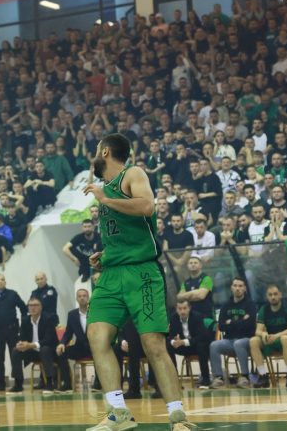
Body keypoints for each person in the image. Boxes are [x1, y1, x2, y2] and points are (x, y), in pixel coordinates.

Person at [84, 133, 193, 431]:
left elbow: (146, 207)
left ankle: (177, 418)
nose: (93, 154)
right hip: (111, 272)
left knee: (153, 343)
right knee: (96, 335)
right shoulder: (104, 188)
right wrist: (105, 254)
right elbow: (125, 234)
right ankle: (118, 413)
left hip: (142, 272)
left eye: (96, 150)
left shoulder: (132, 174)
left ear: (105, 152)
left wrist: (106, 198)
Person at [11, 297, 70, 394]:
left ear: (41, 307)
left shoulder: (49, 318)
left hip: (49, 351)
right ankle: (18, 384)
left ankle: (49, 383)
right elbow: (22, 337)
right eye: (30, 305)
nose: (33, 308)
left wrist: (31, 345)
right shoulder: (25, 320)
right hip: (33, 352)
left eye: (36, 305)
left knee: (45, 349)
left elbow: (49, 339)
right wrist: (20, 344)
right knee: (15, 351)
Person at [248, 285, 287, 389]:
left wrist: (276, 335)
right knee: (253, 341)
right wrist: (263, 334)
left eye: (275, 294)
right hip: (271, 339)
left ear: (280, 295)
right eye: (270, 295)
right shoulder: (264, 309)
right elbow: (257, 330)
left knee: (285, 338)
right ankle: (263, 376)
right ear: (267, 297)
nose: (273, 297)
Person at [209, 277, 255, 389]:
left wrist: (231, 323)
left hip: (247, 340)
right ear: (231, 288)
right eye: (235, 286)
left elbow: (250, 324)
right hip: (229, 340)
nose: (237, 288)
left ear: (244, 288)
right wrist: (240, 321)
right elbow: (222, 326)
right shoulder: (226, 306)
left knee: (238, 343)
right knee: (214, 345)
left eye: (240, 286)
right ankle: (219, 377)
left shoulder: (250, 304)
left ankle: (245, 377)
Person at [0, 272, 27, 391]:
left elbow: (24, 308)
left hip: (12, 330)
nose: (1, 281)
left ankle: (19, 383)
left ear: (5, 281)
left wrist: (23, 325)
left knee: (15, 356)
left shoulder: (13, 294)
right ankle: (0, 384)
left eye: (3, 279)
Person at [166, 300, 213, 389]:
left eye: (184, 308)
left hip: (194, 345)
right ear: (176, 309)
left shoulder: (197, 317)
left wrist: (184, 342)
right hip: (182, 347)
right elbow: (170, 336)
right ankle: (174, 380)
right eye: (180, 309)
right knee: (167, 346)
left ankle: (205, 380)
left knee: (202, 345)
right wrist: (174, 342)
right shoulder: (173, 318)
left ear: (189, 308)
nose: (182, 311)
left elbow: (202, 336)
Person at [63, 219, 100, 291]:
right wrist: (74, 259)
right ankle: (85, 274)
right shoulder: (78, 237)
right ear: (82, 228)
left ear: (93, 227)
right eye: (85, 227)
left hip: (97, 263)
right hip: (84, 265)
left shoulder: (98, 236)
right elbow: (65, 249)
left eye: (89, 226)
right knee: (72, 248)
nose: (87, 229)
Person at [58, 288, 93, 362]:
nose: (82, 298)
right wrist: (62, 343)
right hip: (79, 348)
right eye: (79, 296)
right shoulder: (72, 314)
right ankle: (66, 374)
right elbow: (68, 333)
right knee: (61, 352)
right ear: (76, 298)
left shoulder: (95, 312)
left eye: (84, 296)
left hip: (94, 347)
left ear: (88, 298)